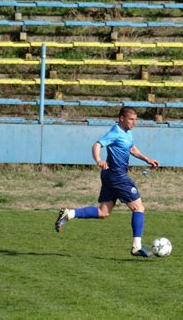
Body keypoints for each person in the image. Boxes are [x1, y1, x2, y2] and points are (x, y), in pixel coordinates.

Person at [54, 107, 160, 257]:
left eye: (135, 119)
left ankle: (69, 214)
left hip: (110, 175)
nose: (134, 122)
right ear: (121, 118)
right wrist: (99, 160)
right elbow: (96, 145)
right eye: (131, 119)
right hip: (117, 176)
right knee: (138, 208)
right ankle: (136, 246)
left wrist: (147, 159)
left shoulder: (127, 133)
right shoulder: (115, 132)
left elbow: (132, 148)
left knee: (103, 212)